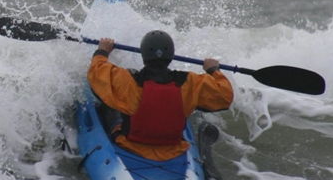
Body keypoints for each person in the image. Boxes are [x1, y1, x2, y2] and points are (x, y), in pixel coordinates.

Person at [87, 30, 234, 161]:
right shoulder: (191, 83)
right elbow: (225, 96)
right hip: (174, 148)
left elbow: (97, 72)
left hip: (130, 144)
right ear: (171, 56)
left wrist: (102, 51)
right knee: (189, 104)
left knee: (110, 103)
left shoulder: (128, 80)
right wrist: (213, 69)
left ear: (144, 56)